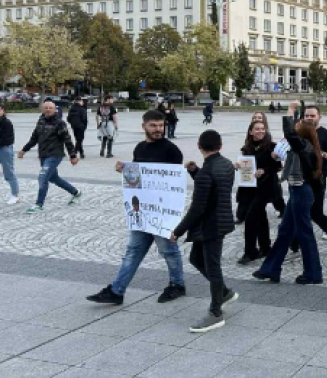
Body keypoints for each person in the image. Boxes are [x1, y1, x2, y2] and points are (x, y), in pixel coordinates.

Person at [86, 110, 186, 306]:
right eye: (153, 125)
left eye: (161, 125)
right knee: (133, 251)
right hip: (141, 211)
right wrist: (124, 171)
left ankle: (177, 284)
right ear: (144, 127)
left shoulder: (172, 150)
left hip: (162, 212)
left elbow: (174, 184)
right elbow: (137, 179)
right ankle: (116, 291)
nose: (158, 129)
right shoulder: (140, 148)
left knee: (168, 250)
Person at [171, 130, 237, 333]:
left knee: (213, 267)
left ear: (199, 146)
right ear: (221, 145)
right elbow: (214, 188)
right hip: (222, 220)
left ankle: (216, 312)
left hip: (210, 226)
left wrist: (178, 231)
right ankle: (224, 292)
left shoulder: (207, 172)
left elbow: (197, 208)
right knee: (196, 258)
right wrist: (195, 172)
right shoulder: (226, 164)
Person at [253, 102, 323, 284]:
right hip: (296, 191)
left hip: (302, 192)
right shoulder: (301, 147)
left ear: (302, 133)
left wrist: (290, 111)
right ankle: (271, 269)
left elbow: (290, 134)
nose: (294, 128)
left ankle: (313, 274)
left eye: (297, 127)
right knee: (285, 231)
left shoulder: (304, 146)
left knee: (304, 232)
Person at [18, 101, 82, 213]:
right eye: (46, 108)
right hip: (43, 155)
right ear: (43, 109)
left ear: (54, 110)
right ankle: (76, 193)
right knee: (54, 178)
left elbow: (67, 140)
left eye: (50, 108)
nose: (48, 110)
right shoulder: (41, 121)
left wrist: (73, 156)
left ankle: (39, 204)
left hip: (55, 155)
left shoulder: (59, 123)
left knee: (43, 177)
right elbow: (34, 138)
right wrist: (24, 150)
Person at [235, 121, 282, 265]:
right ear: (251, 132)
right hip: (251, 187)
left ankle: (250, 252)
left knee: (250, 218)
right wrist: (239, 166)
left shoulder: (272, 147)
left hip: (266, 186)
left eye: (262, 129)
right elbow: (246, 165)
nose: (260, 131)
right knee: (260, 216)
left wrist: (264, 170)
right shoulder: (247, 148)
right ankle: (265, 247)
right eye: (257, 129)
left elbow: (278, 167)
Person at [302, 106, 327, 253]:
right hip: (300, 178)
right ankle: (294, 244)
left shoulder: (325, 134)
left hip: (317, 179)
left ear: (319, 117)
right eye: (307, 115)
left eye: (312, 115)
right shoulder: (300, 132)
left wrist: (322, 154)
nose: (309, 118)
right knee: (296, 211)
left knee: (315, 213)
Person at [0, 104, 20, 205]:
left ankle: (15, 195)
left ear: (2, 110)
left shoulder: (7, 123)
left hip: (4, 149)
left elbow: (8, 139)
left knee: (9, 172)